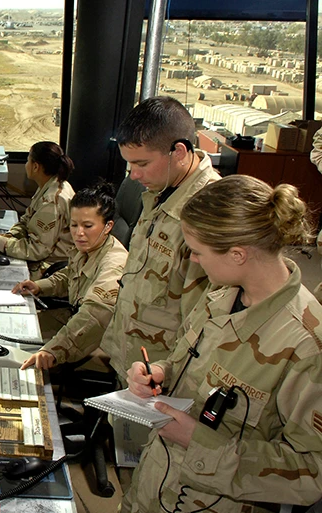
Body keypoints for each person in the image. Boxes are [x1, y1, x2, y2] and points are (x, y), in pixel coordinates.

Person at [124, 175, 322, 513]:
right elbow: (191, 365)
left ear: (237, 254)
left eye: (198, 252)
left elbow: (311, 473)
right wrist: (160, 371)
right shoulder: (220, 296)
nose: (194, 261)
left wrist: (198, 443)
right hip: (155, 483)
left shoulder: (306, 345)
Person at [100, 96, 220, 383]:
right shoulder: (160, 189)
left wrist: (167, 372)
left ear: (178, 151)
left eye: (141, 163)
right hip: (133, 355)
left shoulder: (210, 213)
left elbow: (205, 318)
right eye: (129, 164)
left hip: (164, 372)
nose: (133, 175)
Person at [12, 183, 128, 370]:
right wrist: (40, 286)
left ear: (108, 227)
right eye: (74, 225)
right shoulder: (89, 247)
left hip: (99, 339)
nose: (79, 233)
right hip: (73, 317)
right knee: (18, 329)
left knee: (22, 354)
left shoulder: (114, 264)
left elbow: (93, 317)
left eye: (87, 226)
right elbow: (70, 275)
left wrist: (52, 350)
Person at [0, 141, 74, 279]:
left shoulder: (51, 202)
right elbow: (26, 221)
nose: (26, 164)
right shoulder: (51, 185)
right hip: (43, 255)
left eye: (28, 160)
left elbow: (37, 250)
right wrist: (9, 236)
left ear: (36, 167)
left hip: (47, 268)